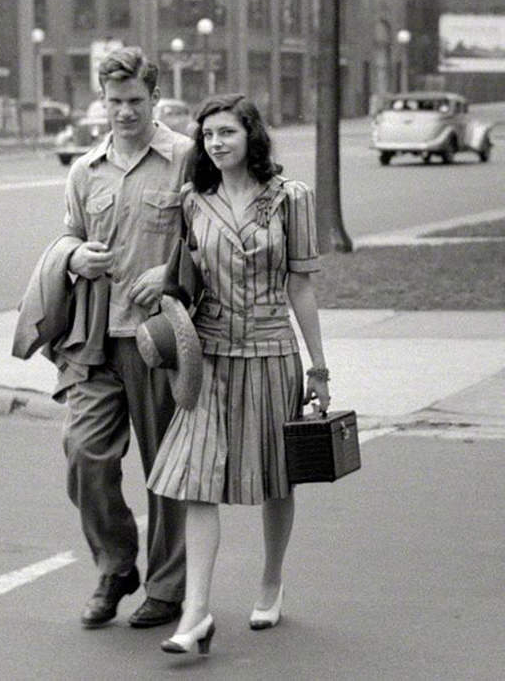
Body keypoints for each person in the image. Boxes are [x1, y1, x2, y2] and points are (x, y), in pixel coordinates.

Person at [147, 94, 331, 654]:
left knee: (278, 476)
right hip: (210, 356)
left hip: (274, 354)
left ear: (251, 135)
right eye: (207, 136)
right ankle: (196, 611)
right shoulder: (193, 201)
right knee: (196, 478)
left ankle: (271, 579)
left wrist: (319, 366)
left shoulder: (291, 198)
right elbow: (186, 273)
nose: (216, 143)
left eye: (226, 132)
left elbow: (301, 286)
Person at [57, 47, 192, 629]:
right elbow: (67, 238)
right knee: (85, 453)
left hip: (159, 339)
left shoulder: (186, 158)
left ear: (154, 98)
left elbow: (211, 240)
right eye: (114, 102)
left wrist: (169, 274)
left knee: (165, 466)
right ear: (102, 101)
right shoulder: (85, 169)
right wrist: (74, 256)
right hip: (95, 338)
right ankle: (115, 566)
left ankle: (167, 586)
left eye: (135, 101)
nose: (124, 113)